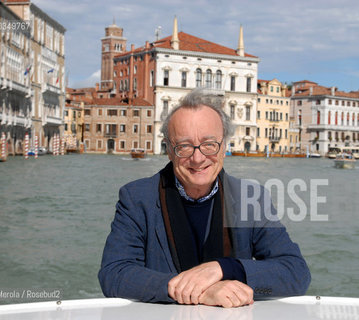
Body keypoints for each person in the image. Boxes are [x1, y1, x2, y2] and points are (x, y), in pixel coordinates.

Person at [98, 89, 311, 308]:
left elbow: (296, 275)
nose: (198, 158)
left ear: (224, 146)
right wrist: (198, 292)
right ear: (169, 150)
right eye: (184, 146)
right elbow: (114, 275)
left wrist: (224, 268)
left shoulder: (252, 198)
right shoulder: (136, 198)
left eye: (209, 144)